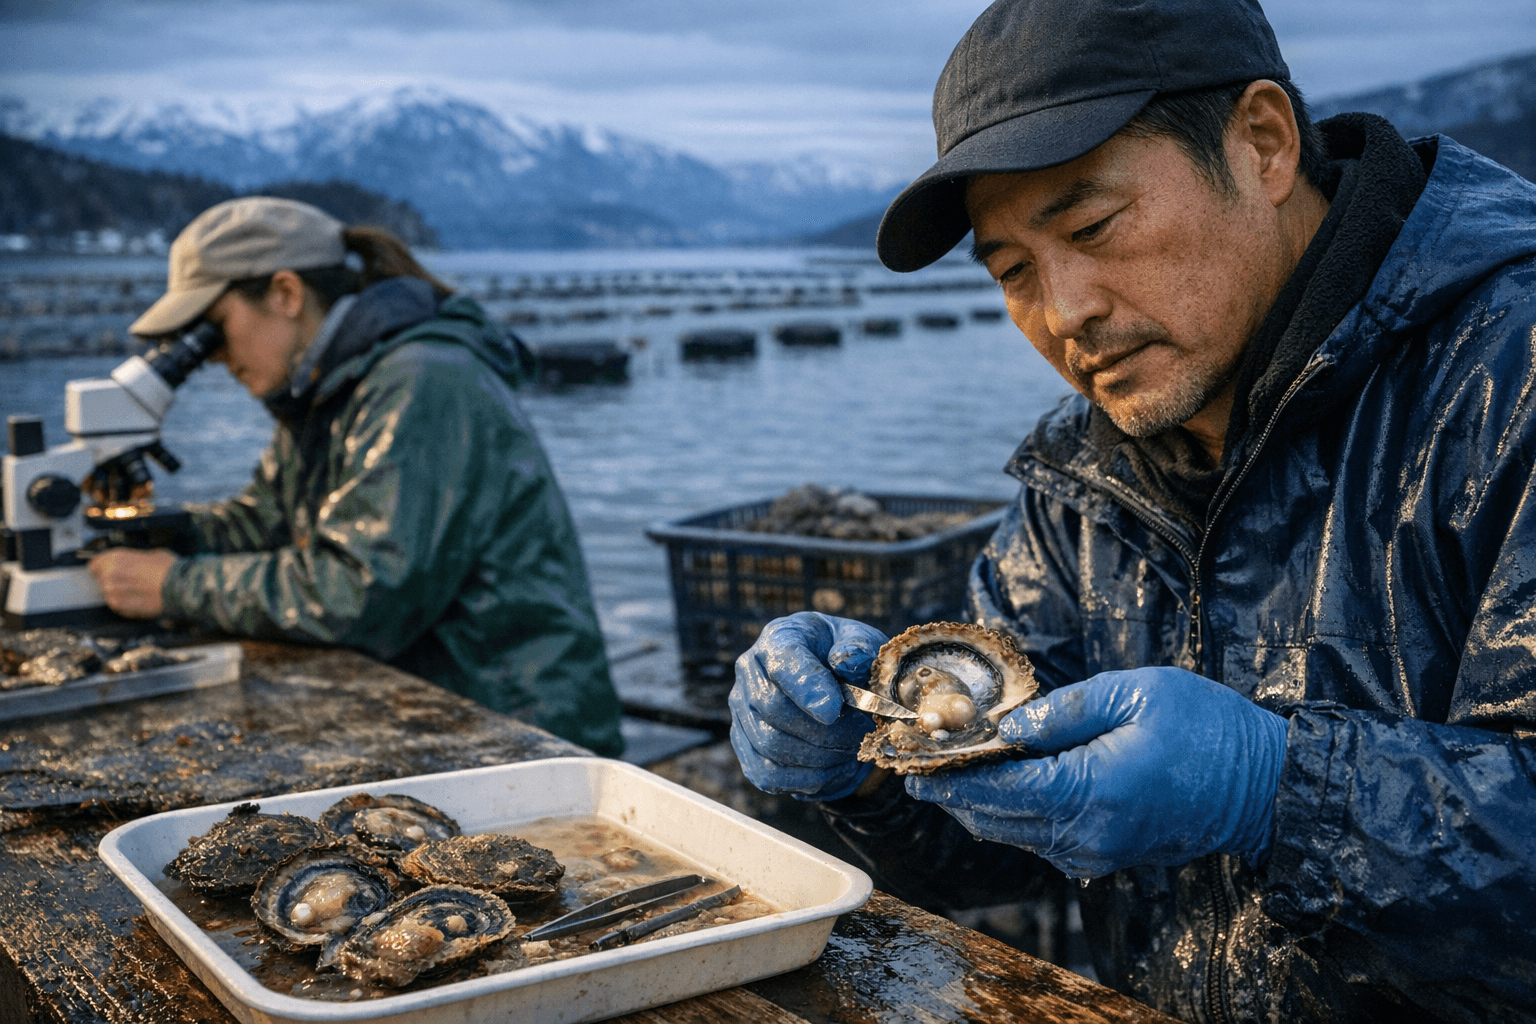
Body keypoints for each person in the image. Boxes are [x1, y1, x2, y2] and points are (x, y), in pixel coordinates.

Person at [728, 0, 1536, 1019]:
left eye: (1093, 227)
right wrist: (871, 770)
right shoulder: (1080, 473)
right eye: (1013, 270)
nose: (1066, 312)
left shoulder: (1510, 379)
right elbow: (1007, 850)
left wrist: (1279, 791)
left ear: (1263, 144)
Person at [88, 196, 625, 757]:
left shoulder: (423, 382)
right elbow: (269, 523)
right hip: (442, 703)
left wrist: (174, 586)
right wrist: (159, 533)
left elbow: (361, 593)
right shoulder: (329, 387)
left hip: (522, 727)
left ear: (286, 293)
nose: (214, 358)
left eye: (215, 329)